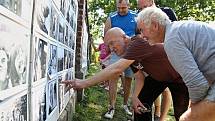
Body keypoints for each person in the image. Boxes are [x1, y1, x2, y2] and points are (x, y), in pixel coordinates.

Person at [63, 27, 189, 121]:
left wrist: (84, 83)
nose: (111, 48)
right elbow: (139, 76)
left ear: (124, 37)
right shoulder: (129, 54)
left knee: (182, 115)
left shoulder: (137, 43)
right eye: (108, 46)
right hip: (158, 77)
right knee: (140, 104)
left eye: (112, 43)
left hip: (179, 77)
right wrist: (134, 96)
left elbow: (116, 69)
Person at [137, 6, 215, 121]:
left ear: (154, 25)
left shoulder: (171, 40)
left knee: (186, 119)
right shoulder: (179, 28)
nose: (142, 35)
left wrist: (192, 107)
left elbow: (197, 84)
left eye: (142, 30)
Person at [136, 0, 177, 120]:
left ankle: (161, 117)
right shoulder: (140, 17)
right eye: (140, 7)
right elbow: (140, 38)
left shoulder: (167, 12)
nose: (143, 10)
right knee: (144, 98)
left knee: (167, 92)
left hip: (173, 64)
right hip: (154, 64)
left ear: (152, 2)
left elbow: (174, 32)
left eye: (145, 6)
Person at [103, 0, 137, 118]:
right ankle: (111, 107)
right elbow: (106, 36)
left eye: (123, 8)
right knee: (113, 79)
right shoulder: (111, 18)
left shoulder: (136, 16)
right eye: (119, 8)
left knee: (128, 80)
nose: (121, 10)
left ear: (129, 5)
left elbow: (141, 34)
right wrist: (109, 49)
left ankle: (125, 105)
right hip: (116, 53)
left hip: (131, 52)